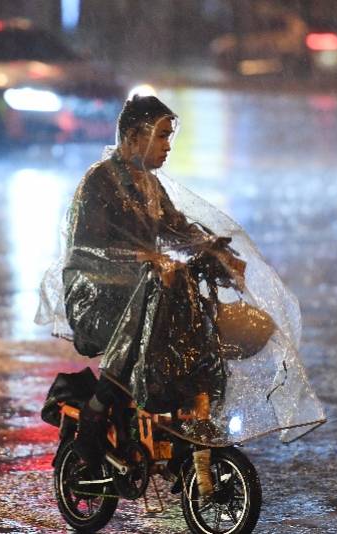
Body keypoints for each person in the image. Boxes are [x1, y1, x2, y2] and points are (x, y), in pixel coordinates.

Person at [62, 95, 243, 472]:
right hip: (97, 295)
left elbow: (179, 230)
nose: (168, 146)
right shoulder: (99, 182)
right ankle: (95, 413)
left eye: (168, 136)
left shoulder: (150, 186)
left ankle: (187, 422)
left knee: (196, 332)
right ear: (132, 139)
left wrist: (216, 253)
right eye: (160, 136)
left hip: (144, 290)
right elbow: (87, 248)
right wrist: (145, 259)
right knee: (146, 321)